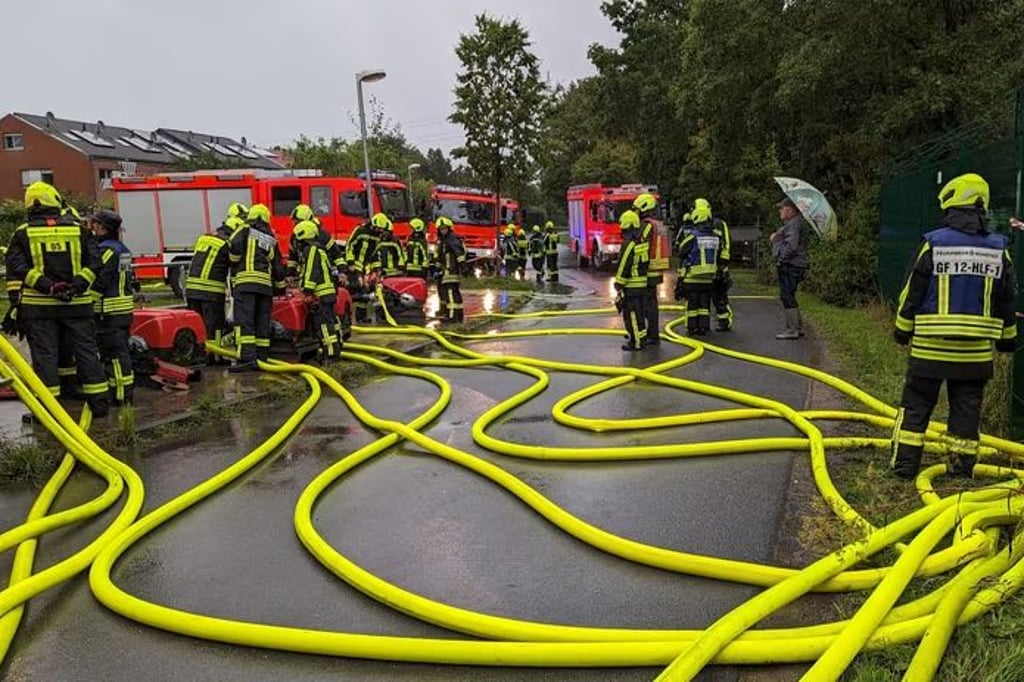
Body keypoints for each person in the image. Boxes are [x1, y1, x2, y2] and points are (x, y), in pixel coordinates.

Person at [890, 173, 1017, 480]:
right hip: (973, 357)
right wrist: (1007, 341)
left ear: (951, 203)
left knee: (917, 407)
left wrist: (902, 330)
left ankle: (905, 467)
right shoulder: (999, 249)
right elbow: (1007, 300)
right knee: (966, 413)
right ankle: (960, 470)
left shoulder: (934, 243)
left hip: (929, 351)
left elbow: (912, 292)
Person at [4, 182, 109, 416]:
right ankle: (100, 405)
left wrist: (48, 287)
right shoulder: (79, 230)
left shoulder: (22, 233)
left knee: (45, 356)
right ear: (55, 200)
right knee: (86, 353)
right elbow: (95, 264)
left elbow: (17, 267)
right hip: (78, 305)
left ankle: (48, 412)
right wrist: (76, 286)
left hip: (39, 309)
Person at [227, 203, 286, 372]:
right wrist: (280, 288)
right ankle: (261, 358)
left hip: (246, 284)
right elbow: (278, 267)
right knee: (262, 322)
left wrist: (234, 260)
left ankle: (247, 359)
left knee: (245, 322)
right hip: (265, 287)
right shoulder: (271, 237)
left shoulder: (244, 229)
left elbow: (234, 247)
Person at [88, 210, 136, 405]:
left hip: (109, 311)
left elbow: (101, 280)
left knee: (113, 356)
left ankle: (119, 397)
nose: (93, 227)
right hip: (123, 309)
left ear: (103, 227)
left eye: (96, 224)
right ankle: (124, 394)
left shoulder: (107, 250)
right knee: (121, 353)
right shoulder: (122, 249)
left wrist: (85, 303)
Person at [185, 210, 244, 363]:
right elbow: (234, 265)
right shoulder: (227, 245)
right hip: (211, 292)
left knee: (196, 324)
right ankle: (213, 357)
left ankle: (196, 356)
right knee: (214, 327)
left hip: (191, 288)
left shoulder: (203, 239)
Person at [292, 220, 342, 362]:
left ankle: (331, 355)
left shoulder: (311, 250)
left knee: (324, 326)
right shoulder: (320, 249)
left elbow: (311, 271)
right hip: (328, 292)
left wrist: (307, 291)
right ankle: (334, 350)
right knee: (331, 323)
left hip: (321, 293)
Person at [674, 206, 723, 336]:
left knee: (693, 305)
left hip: (693, 277)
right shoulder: (716, 236)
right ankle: (703, 327)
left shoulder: (693, 236)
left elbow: (681, 251)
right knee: (704, 305)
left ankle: (692, 328)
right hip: (709, 278)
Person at [687, 198, 734, 331]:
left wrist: (722, 264)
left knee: (719, 296)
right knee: (705, 297)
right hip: (707, 267)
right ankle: (703, 324)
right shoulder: (699, 225)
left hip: (718, 266)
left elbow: (727, 244)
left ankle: (725, 321)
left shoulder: (719, 224)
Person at [770, 196, 810, 339]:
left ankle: (792, 330)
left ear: (790, 210)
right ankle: (798, 328)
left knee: (786, 295)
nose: (780, 211)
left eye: (782, 208)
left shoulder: (793, 224)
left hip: (790, 265)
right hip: (795, 264)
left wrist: (779, 252)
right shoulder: (795, 223)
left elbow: (791, 246)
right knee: (789, 295)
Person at [614, 210, 648, 351]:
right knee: (640, 314)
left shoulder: (629, 245)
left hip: (632, 286)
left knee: (632, 315)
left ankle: (636, 342)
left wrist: (618, 284)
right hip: (642, 284)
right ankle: (642, 337)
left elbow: (624, 265)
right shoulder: (642, 241)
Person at [346, 213, 386, 323]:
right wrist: (350, 263)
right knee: (355, 289)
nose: (380, 231)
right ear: (373, 224)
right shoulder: (360, 231)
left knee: (365, 290)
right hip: (354, 265)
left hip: (364, 267)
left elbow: (374, 254)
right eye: (378, 228)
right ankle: (347, 317)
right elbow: (350, 245)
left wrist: (377, 269)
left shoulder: (377, 236)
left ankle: (361, 317)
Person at [633, 192, 661, 345]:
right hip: (653, 269)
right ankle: (649, 333)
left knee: (648, 305)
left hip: (648, 270)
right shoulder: (654, 224)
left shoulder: (647, 226)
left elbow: (640, 244)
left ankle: (651, 335)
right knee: (649, 303)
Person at [435, 216, 467, 323]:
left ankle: (453, 317)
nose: (443, 230)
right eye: (441, 229)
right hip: (446, 271)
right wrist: (437, 269)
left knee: (450, 294)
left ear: (449, 228)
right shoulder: (443, 241)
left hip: (451, 271)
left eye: (445, 228)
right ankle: (458, 316)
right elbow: (440, 258)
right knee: (451, 293)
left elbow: (459, 253)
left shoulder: (452, 239)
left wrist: (463, 266)